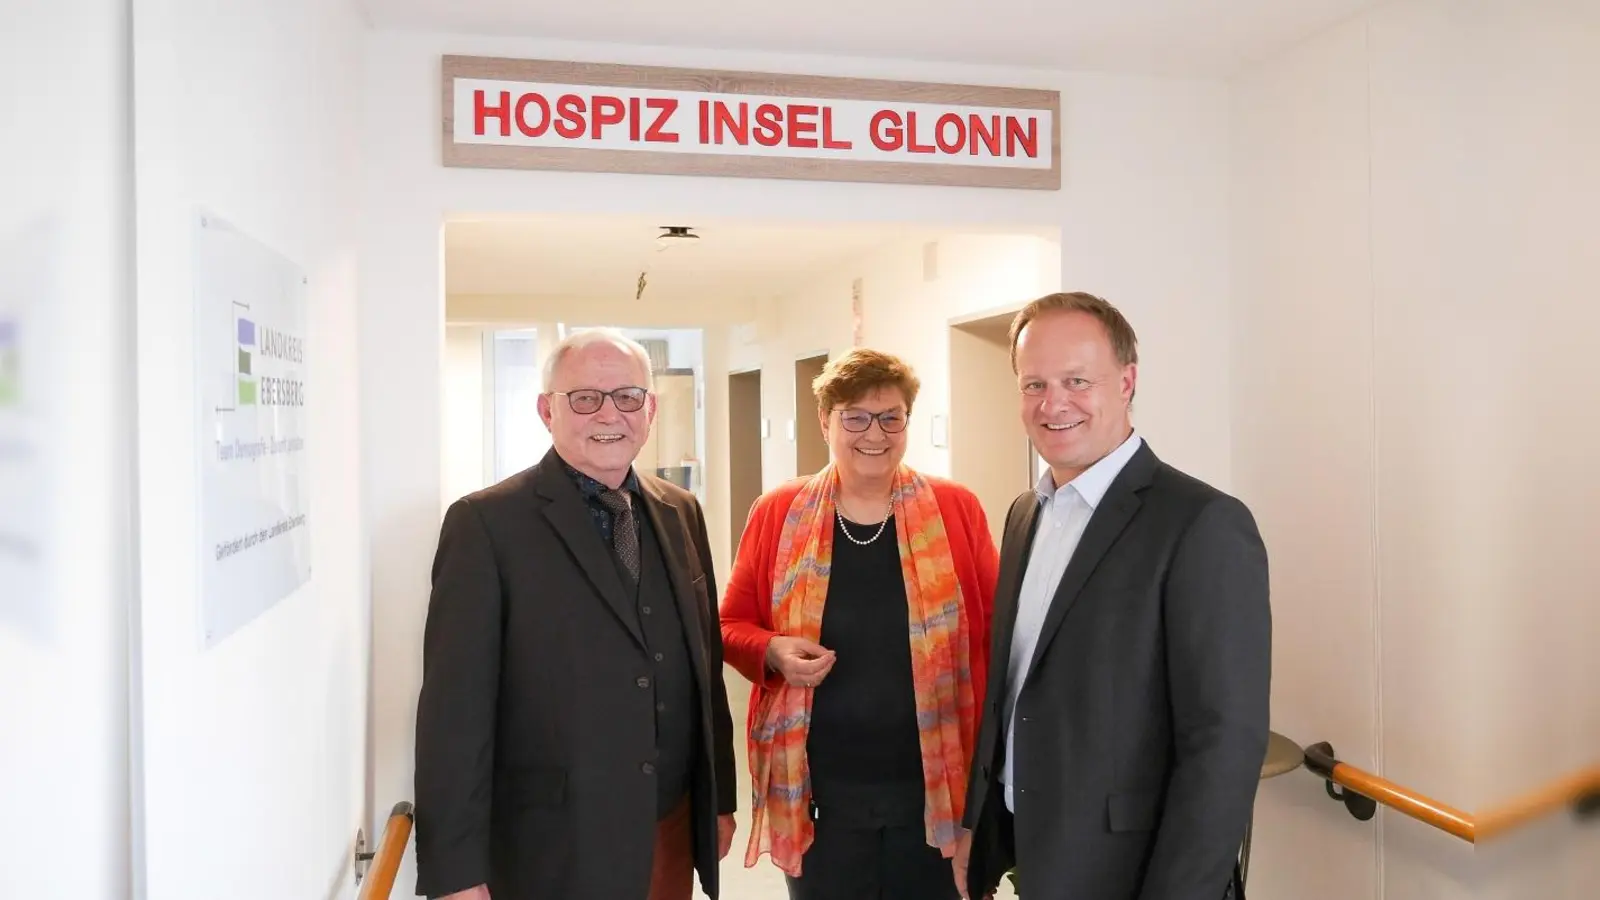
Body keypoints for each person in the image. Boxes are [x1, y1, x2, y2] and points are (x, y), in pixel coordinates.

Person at [958, 292, 1272, 900]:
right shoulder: (1027, 512)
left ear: (1127, 381)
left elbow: (1224, 745)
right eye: (1033, 384)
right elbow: (1014, 688)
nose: (1053, 404)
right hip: (1038, 858)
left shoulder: (1201, 524)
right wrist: (982, 823)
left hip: (1134, 873)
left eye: (1077, 380)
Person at [413, 328, 737, 900]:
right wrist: (456, 871)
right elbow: (453, 715)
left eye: (627, 397)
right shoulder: (486, 526)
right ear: (547, 410)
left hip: (669, 829)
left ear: (650, 408)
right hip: (553, 845)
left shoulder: (680, 511)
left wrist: (718, 800)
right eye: (585, 398)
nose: (608, 414)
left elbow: (702, 671)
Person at [720, 348, 999, 900]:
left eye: (891, 416)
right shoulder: (779, 510)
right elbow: (730, 624)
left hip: (938, 792)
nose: (875, 433)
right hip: (821, 794)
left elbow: (994, 634)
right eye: (855, 416)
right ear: (826, 422)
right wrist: (772, 649)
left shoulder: (955, 508)